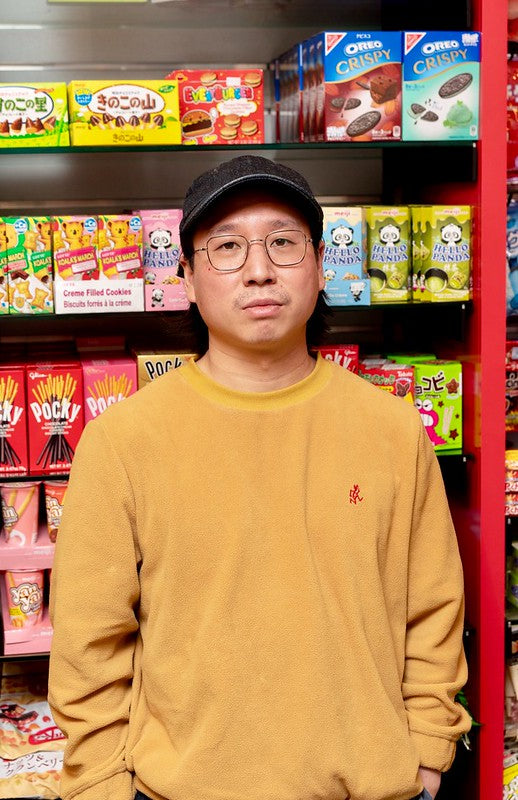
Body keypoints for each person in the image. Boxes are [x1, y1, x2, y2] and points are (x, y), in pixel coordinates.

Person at [48, 155, 471, 800]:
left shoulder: (390, 430)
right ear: (186, 278)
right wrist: (101, 787)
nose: (259, 268)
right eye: (226, 248)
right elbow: (88, 651)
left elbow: (433, 613)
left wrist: (427, 755)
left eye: (283, 242)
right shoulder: (123, 442)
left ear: (322, 265)